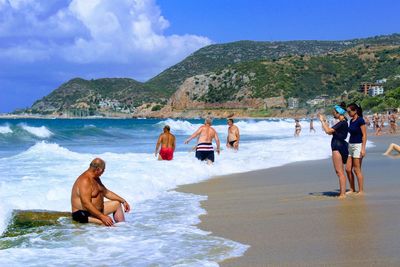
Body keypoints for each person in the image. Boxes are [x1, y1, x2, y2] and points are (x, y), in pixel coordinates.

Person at [71, 158, 131, 226]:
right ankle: (114, 230)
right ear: (98, 169)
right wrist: (102, 217)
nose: (103, 173)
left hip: (95, 212)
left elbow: (106, 192)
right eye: (103, 170)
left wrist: (123, 201)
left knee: (117, 204)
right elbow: (86, 203)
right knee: (109, 224)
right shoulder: (85, 180)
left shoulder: (96, 178)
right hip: (82, 214)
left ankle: (123, 227)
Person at [318, 103, 349, 199]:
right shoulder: (343, 123)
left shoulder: (341, 123)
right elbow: (330, 132)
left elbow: (327, 131)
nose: (333, 114)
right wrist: (325, 122)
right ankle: (343, 192)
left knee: (339, 172)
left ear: (339, 113)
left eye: (334, 112)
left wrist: (322, 121)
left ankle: (342, 194)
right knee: (341, 172)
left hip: (337, 146)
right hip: (342, 146)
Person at [345, 103, 367, 194]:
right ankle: (352, 189)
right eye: (347, 111)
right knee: (348, 169)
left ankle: (361, 190)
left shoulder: (360, 120)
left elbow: (364, 135)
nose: (348, 113)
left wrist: (363, 149)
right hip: (350, 145)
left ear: (355, 111)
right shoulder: (351, 121)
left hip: (358, 145)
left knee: (357, 169)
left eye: (349, 111)